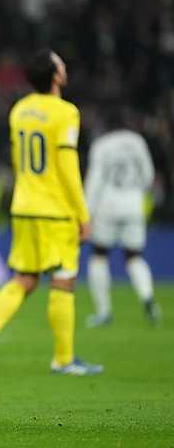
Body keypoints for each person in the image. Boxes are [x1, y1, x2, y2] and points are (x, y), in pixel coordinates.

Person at [0, 48, 103, 376]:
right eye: (60, 63)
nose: (64, 65)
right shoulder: (66, 112)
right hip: (55, 210)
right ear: (55, 76)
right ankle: (64, 359)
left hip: (24, 205)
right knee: (63, 280)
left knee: (25, 278)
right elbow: (68, 166)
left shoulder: (20, 110)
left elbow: (19, 160)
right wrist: (83, 213)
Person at [85, 115, 161, 326]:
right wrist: (138, 194)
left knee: (99, 255)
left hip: (108, 206)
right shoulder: (138, 141)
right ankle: (147, 298)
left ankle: (104, 312)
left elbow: (95, 179)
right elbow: (148, 175)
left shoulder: (102, 145)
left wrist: (87, 211)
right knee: (134, 256)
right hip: (134, 205)